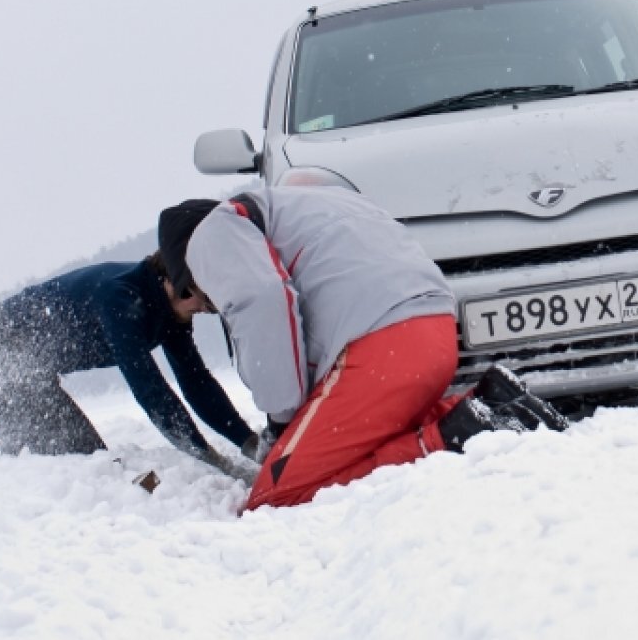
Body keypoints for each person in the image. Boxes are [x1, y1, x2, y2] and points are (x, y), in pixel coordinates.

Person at [157, 187, 568, 510]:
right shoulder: (314, 201)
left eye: (196, 293)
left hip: (381, 349)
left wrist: (283, 424)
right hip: (433, 332)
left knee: (276, 494)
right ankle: (494, 405)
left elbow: (264, 301)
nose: (204, 303)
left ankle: (457, 434)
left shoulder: (212, 232)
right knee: (372, 439)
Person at [0, 255, 260, 465]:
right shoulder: (121, 297)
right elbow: (149, 388)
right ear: (175, 281)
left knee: (77, 458)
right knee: (78, 461)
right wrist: (204, 455)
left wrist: (250, 444)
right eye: (202, 301)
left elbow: (196, 381)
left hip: (26, 367)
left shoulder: (169, 310)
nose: (204, 310)